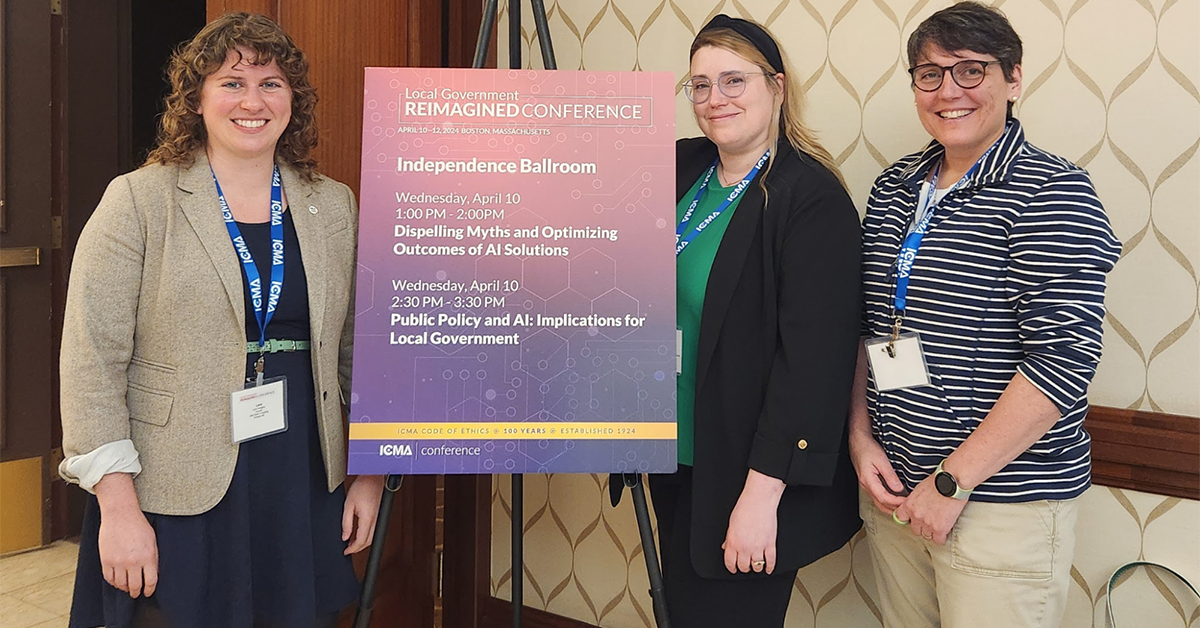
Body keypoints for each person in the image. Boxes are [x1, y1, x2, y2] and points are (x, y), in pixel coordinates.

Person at [59, 13, 383, 628]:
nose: (253, 101)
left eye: (272, 83)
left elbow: (357, 353)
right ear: (197, 99)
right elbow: (90, 364)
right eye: (233, 82)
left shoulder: (332, 205)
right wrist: (117, 508)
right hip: (173, 479)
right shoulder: (138, 201)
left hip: (300, 474)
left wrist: (369, 473)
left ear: (293, 101)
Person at [849, 3, 1121, 627]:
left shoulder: (1052, 191)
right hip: (895, 491)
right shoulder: (893, 189)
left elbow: (1063, 360)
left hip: (997, 506)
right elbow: (869, 330)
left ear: (1013, 78)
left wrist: (952, 484)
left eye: (971, 71)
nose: (949, 91)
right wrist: (860, 437)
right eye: (930, 74)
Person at [650, 14, 862, 626]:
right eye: (699, 85)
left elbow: (814, 366)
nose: (715, 100)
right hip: (678, 457)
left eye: (734, 81)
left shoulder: (809, 198)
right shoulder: (683, 171)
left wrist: (761, 497)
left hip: (747, 475)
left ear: (777, 87)